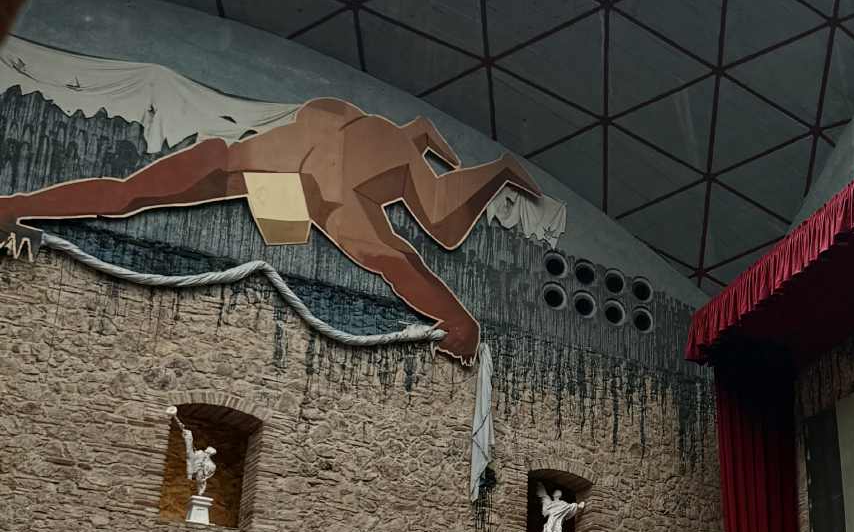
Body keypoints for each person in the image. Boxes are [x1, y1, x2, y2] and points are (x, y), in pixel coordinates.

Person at [0, 97, 540, 364]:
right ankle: (11, 205)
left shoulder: (350, 177)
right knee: (131, 195)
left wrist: (461, 325)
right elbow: (123, 195)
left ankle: (498, 169)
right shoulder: (277, 165)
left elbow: (403, 259)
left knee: (441, 225)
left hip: (320, 176)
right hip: (286, 176)